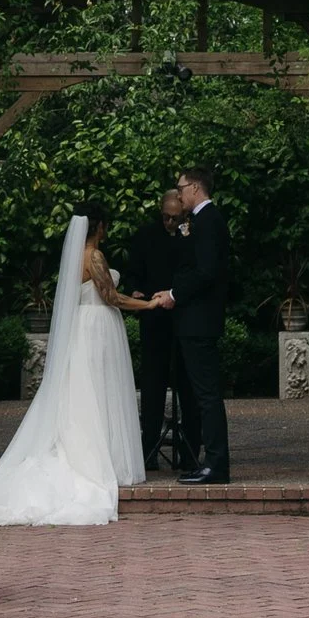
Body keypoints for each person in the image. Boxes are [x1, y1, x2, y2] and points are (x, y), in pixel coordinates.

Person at [0, 212, 141, 526]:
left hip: (84, 326)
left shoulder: (76, 257)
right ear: (100, 226)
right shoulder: (93, 255)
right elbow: (109, 296)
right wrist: (148, 304)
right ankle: (100, 460)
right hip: (97, 326)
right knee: (98, 389)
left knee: (85, 390)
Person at [150, 167, 232, 481]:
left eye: (181, 187)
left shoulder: (209, 221)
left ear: (195, 188)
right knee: (202, 395)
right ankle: (210, 461)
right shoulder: (198, 222)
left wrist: (174, 293)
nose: (179, 193)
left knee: (207, 395)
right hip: (194, 320)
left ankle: (217, 464)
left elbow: (207, 271)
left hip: (200, 321)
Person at [117, 190, 187, 474]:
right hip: (153, 318)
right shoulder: (145, 236)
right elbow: (132, 271)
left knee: (185, 383)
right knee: (152, 385)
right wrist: (136, 291)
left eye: (176, 218)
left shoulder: (189, 235)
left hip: (182, 317)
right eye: (166, 217)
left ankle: (188, 451)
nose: (170, 223)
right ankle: (149, 450)